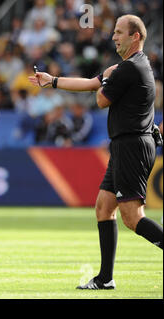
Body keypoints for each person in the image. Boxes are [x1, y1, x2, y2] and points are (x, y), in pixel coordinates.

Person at [29, 14, 163, 290]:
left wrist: (108, 79)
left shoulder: (129, 68)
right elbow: (91, 83)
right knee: (104, 207)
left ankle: (106, 277)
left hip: (132, 146)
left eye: (119, 32)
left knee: (132, 218)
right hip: (125, 145)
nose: (113, 36)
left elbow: (101, 99)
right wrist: (52, 80)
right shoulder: (129, 67)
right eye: (113, 31)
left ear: (135, 36)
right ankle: (105, 278)